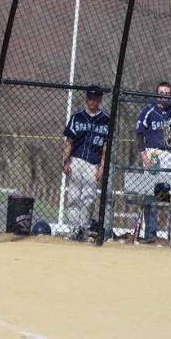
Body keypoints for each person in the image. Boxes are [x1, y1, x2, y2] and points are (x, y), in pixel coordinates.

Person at [62, 86, 110, 242]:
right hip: (76, 160)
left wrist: (102, 166)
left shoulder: (106, 119)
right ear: (86, 99)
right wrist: (65, 160)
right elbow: (69, 141)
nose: (92, 101)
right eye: (90, 98)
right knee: (74, 196)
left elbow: (105, 146)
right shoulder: (77, 117)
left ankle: (83, 228)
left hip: (93, 162)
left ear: (100, 100)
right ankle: (74, 228)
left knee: (89, 197)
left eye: (95, 98)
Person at [135, 82, 171, 243]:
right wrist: (144, 156)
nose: (164, 95)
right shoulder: (148, 110)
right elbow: (139, 134)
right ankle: (151, 234)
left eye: (167, 93)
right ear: (156, 94)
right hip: (152, 154)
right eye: (161, 92)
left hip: (170, 155)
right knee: (150, 194)